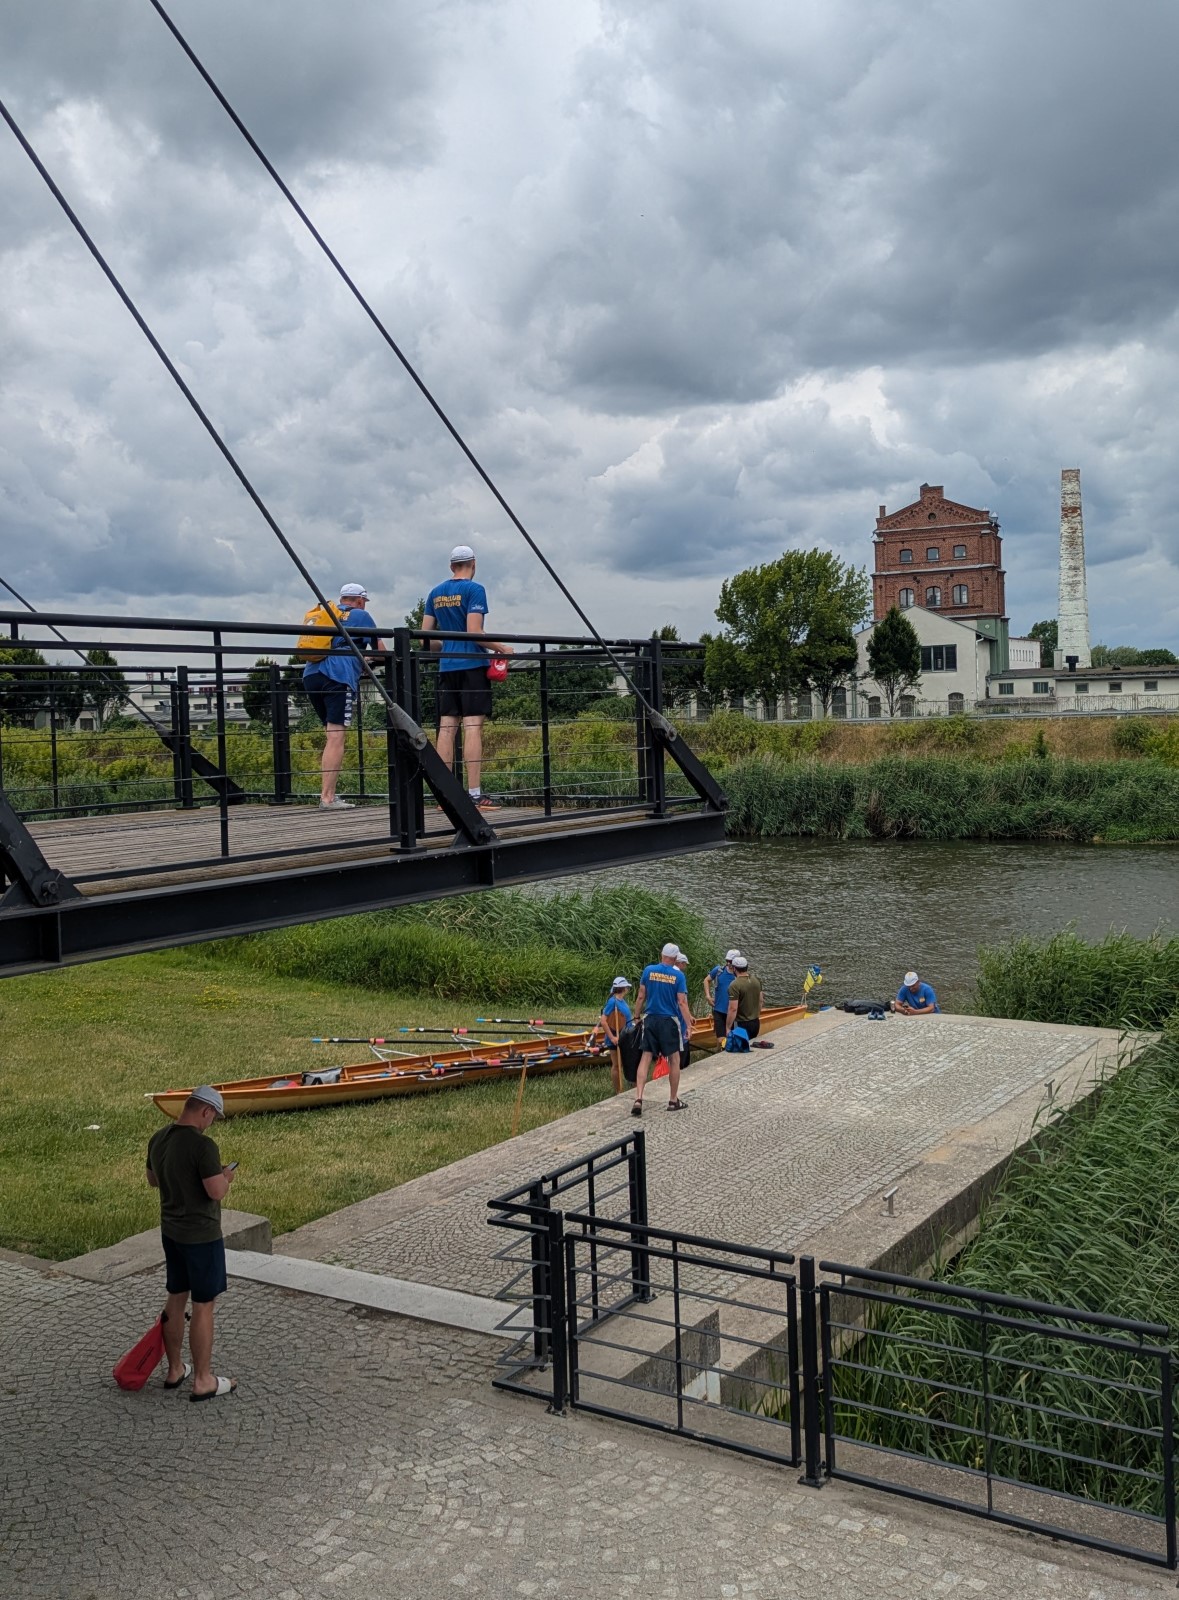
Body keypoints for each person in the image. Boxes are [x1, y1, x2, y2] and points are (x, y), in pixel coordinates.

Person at [145, 1085, 237, 1402]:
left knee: (176, 1297)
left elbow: (153, 1180)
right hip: (201, 1237)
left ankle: (174, 1370)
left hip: (171, 1232)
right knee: (203, 1304)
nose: (211, 1123)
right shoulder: (203, 1146)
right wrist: (226, 1177)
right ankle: (203, 1379)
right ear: (206, 1111)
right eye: (213, 1117)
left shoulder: (159, 1138)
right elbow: (216, 1192)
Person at [421, 545, 514, 809]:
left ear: (451, 566)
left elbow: (427, 639)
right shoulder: (475, 590)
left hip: (447, 667)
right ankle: (474, 794)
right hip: (472, 665)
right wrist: (501, 648)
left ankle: (446, 794)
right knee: (472, 727)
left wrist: (447, 647)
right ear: (473, 564)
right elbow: (474, 631)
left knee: (446, 729)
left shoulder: (435, 593)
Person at [302, 582, 384, 810]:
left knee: (330, 734)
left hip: (311, 674)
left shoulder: (328, 613)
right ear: (359, 600)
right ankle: (327, 797)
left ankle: (327, 794)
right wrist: (368, 658)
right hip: (337, 676)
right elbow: (382, 652)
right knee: (336, 736)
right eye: (364, 602)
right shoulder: (360, 615)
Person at [631, 942, 693, 1115]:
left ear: (662, 955)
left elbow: (641, 996)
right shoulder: (678, 976)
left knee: (645, 1057)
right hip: (669, 1021)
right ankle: (673, 1100)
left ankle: (638, 1098)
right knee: (674, 1060)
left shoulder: (648, 971)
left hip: (650, 1018)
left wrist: (636, 1016)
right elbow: (682, 1002)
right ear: (675, 958)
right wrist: (688, 1025)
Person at [597, 976, 632, 1094]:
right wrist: (612, 1038)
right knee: (617, 1065)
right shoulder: (613, 1002)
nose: (627, 989)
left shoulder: (622, 1001)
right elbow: (603, 1021)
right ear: (623, 988)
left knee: (628, 1062)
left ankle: (631, 1084)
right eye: (626, 987)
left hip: (625, 1036)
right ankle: (618, 1091)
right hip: (615, 1037)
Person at [704, 949, 741, 1039]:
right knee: (720, 1040)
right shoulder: (718, 971)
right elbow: (706, 980)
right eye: (727, 961)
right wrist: (708, 996)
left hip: (733, 1013)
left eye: (730, 962)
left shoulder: (740, 976)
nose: (728, 963)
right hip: (719, 1011)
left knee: (731, 1039)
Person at [726, 954, 763, 1040]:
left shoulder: (734, 985)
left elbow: (733, 1009)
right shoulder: (756, 980)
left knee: (740, 1047)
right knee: (750, 1045)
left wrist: (728, 1028)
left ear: (734, 969)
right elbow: (761, 1001)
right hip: (755, 1023)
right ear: (746, 967)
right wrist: (756, 1015)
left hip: (741, 1024)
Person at [674, 951, 693, 1072]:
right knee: (684, 1037)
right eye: (685, 964)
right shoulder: (680, 975)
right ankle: (682, 1066)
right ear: (680, 963)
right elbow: (683, 1001)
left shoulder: (668, 973)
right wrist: (688, 1019)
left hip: (669, 1014)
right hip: (679, 1014)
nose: (685, 967)